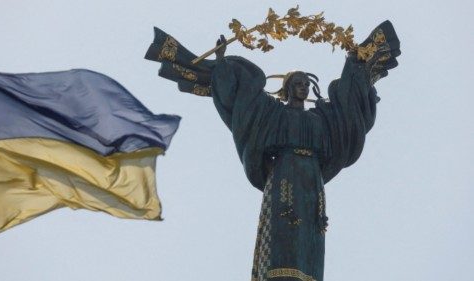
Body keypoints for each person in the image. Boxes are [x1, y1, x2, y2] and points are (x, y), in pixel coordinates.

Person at [145, 20, 400, 281]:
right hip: (284, 175)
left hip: (312, 180)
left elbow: (348, 115)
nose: (302, 87)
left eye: (304, 84)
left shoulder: (321, 119)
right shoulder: (272, 113)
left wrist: (355, 65)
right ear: (289, 88)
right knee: (283, 230)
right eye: (297, 83)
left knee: (310, 235)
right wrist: (221, 64)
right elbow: (242, 102)